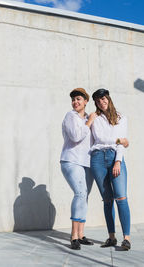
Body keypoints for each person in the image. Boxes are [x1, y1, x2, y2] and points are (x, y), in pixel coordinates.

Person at [90, 88, 131, 250]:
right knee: (107, 200)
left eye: (104, 99)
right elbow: (100, 138)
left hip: (115, 156)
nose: (102, 102)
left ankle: (126, 238)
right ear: (96, 103)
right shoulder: (95, 118)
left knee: (121, 198)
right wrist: (119, 139)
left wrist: (118, 161)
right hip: (98, 158)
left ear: (108, 98)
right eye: (98, 101)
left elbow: (121, 144)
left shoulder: (121, 117)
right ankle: (111, 237)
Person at [60, 88, 97, 250]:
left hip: (88, 163)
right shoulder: (71, 116)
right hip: (71, 160)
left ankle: (81, 234)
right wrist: (88, 123)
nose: (75, 102)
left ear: (86, 101)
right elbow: (75, 137)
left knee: (84, 197)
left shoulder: (90, 117)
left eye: (78, 99)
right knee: (80, 193)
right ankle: (74, 236)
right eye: (73, 99)